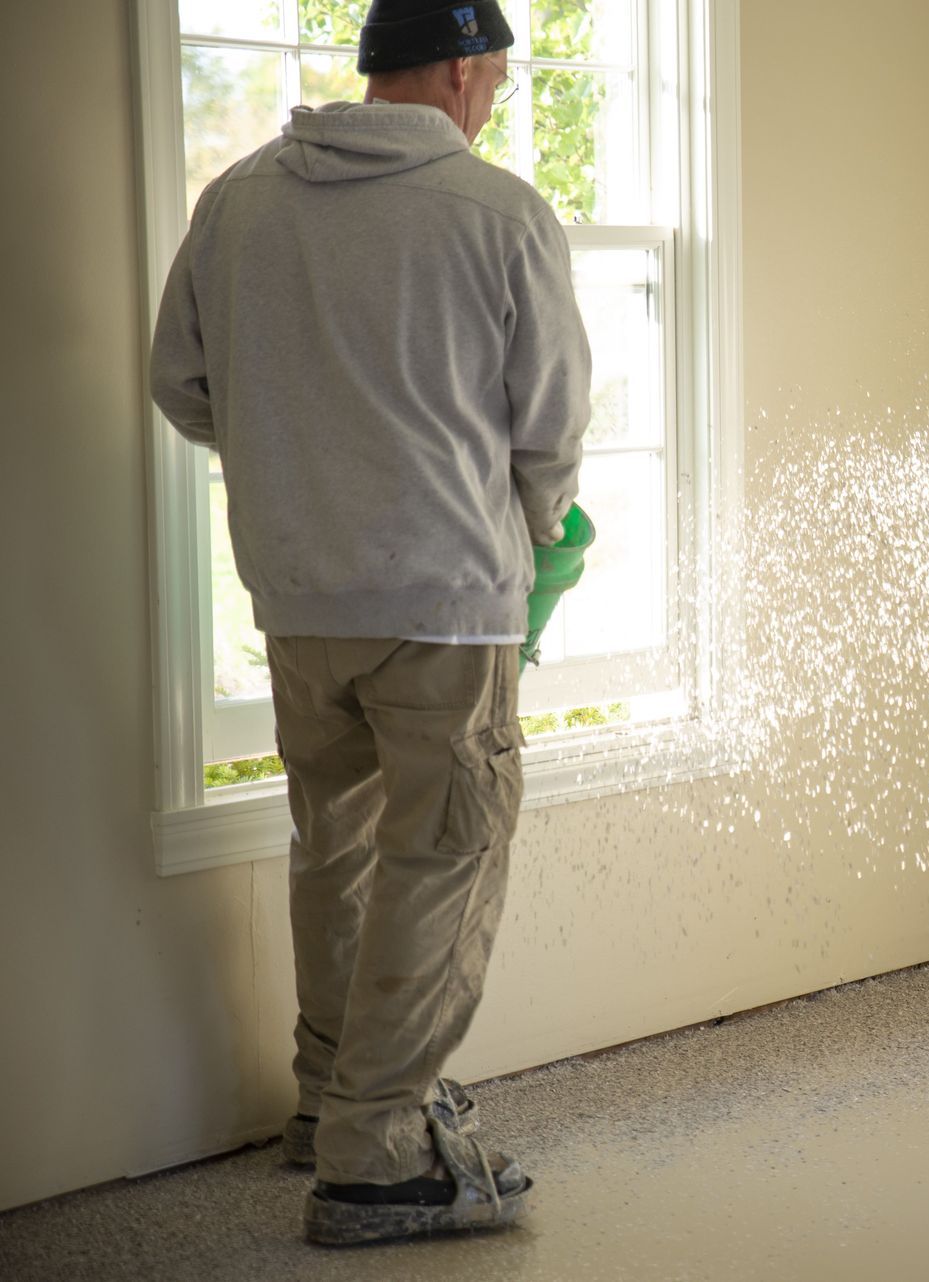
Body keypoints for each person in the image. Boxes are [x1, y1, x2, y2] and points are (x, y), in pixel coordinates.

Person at [148, 0, 591, 1247]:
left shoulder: (239, 201)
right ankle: (378, 1152)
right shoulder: (497, 213)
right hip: (445, 605)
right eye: (495, 79)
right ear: (458, 70)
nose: (493, 101)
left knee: (333, 840)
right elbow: (548, 427)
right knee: (445, 855)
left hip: (298, 598)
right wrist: (544, 528)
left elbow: (179, 382)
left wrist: (304, 465)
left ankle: (330, 1093)